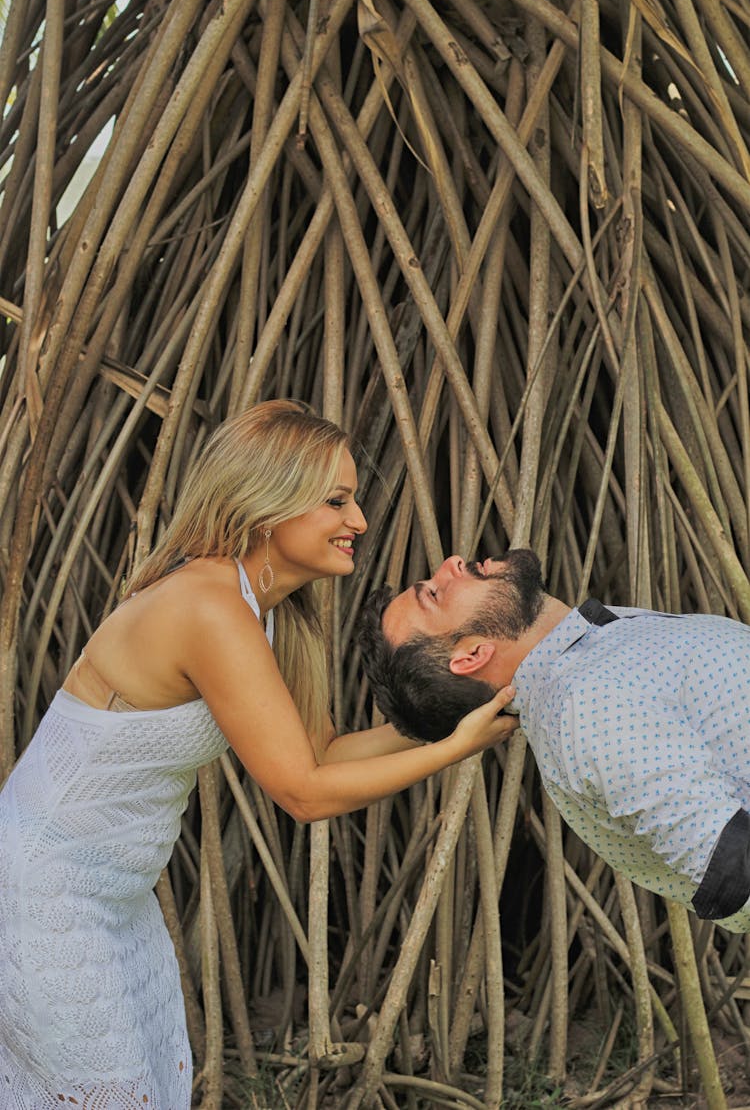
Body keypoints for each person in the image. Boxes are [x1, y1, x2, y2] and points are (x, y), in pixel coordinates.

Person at [0, 401, 518, 1110]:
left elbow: (323, 752)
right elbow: (304, 793)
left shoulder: (259, 609)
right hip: (48, 892)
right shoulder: (209, 606)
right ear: (266, 504)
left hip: (108, 895)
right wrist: (456, 747)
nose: (360, 520)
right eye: (335, 500)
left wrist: (465, 710)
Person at [358, 548, 750, 933]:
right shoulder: (590, 705)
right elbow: (732, 871)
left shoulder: (592, 664)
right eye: (435, 593)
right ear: (473, 654)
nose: (452, 564)